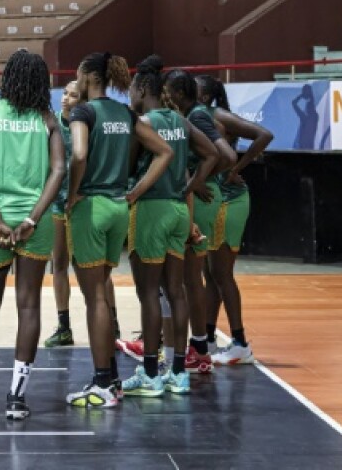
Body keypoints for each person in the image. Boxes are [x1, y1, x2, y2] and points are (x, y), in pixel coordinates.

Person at [64, 52, 172, 409]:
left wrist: (74, 191)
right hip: (118, 208)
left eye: (79, 75)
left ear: (89, 77)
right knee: (103, 290)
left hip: (91, 208)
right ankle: (110, 374)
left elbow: (78, 155)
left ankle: (102, 385)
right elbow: (164, 152)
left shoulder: (84, 111)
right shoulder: (124, 113)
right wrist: (136, 190)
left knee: (94, 296)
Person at [0, 50, 64, 420]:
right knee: (29, 307)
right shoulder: (48, 120)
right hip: (34, 226)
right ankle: (17, 401)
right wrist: (33, 219)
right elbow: (58, 171)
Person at [119, 58, 222, 398]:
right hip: (180, 210)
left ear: (143, 89)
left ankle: (150, 371)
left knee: (149, 293)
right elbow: (212, 154)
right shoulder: (179, 119)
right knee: (175, 290)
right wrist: (190, 186)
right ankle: (178, 372)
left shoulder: (143, 122)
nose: (129, 93)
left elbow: (128, 169)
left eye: (133, 88)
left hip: (151, 209)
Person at [194, 75, 274, 367]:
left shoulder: (218, 116)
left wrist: (236, 168)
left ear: (205, 96)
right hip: (215, 199)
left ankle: (240, 343)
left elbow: (264, 134)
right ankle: (209, 336)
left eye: (196, 88)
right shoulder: (198, 116)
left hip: (230, 199)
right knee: (210, 273)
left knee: (222, 274)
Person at [44, 79, 81, 348]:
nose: (66, 98)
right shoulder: (51, 124)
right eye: (65, 94)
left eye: (73, 95)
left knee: (93, 268)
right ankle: (64, 325)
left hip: (82, 203)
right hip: (57, 203)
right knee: (59, 265)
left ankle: (111, 324)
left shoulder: (87, 124)